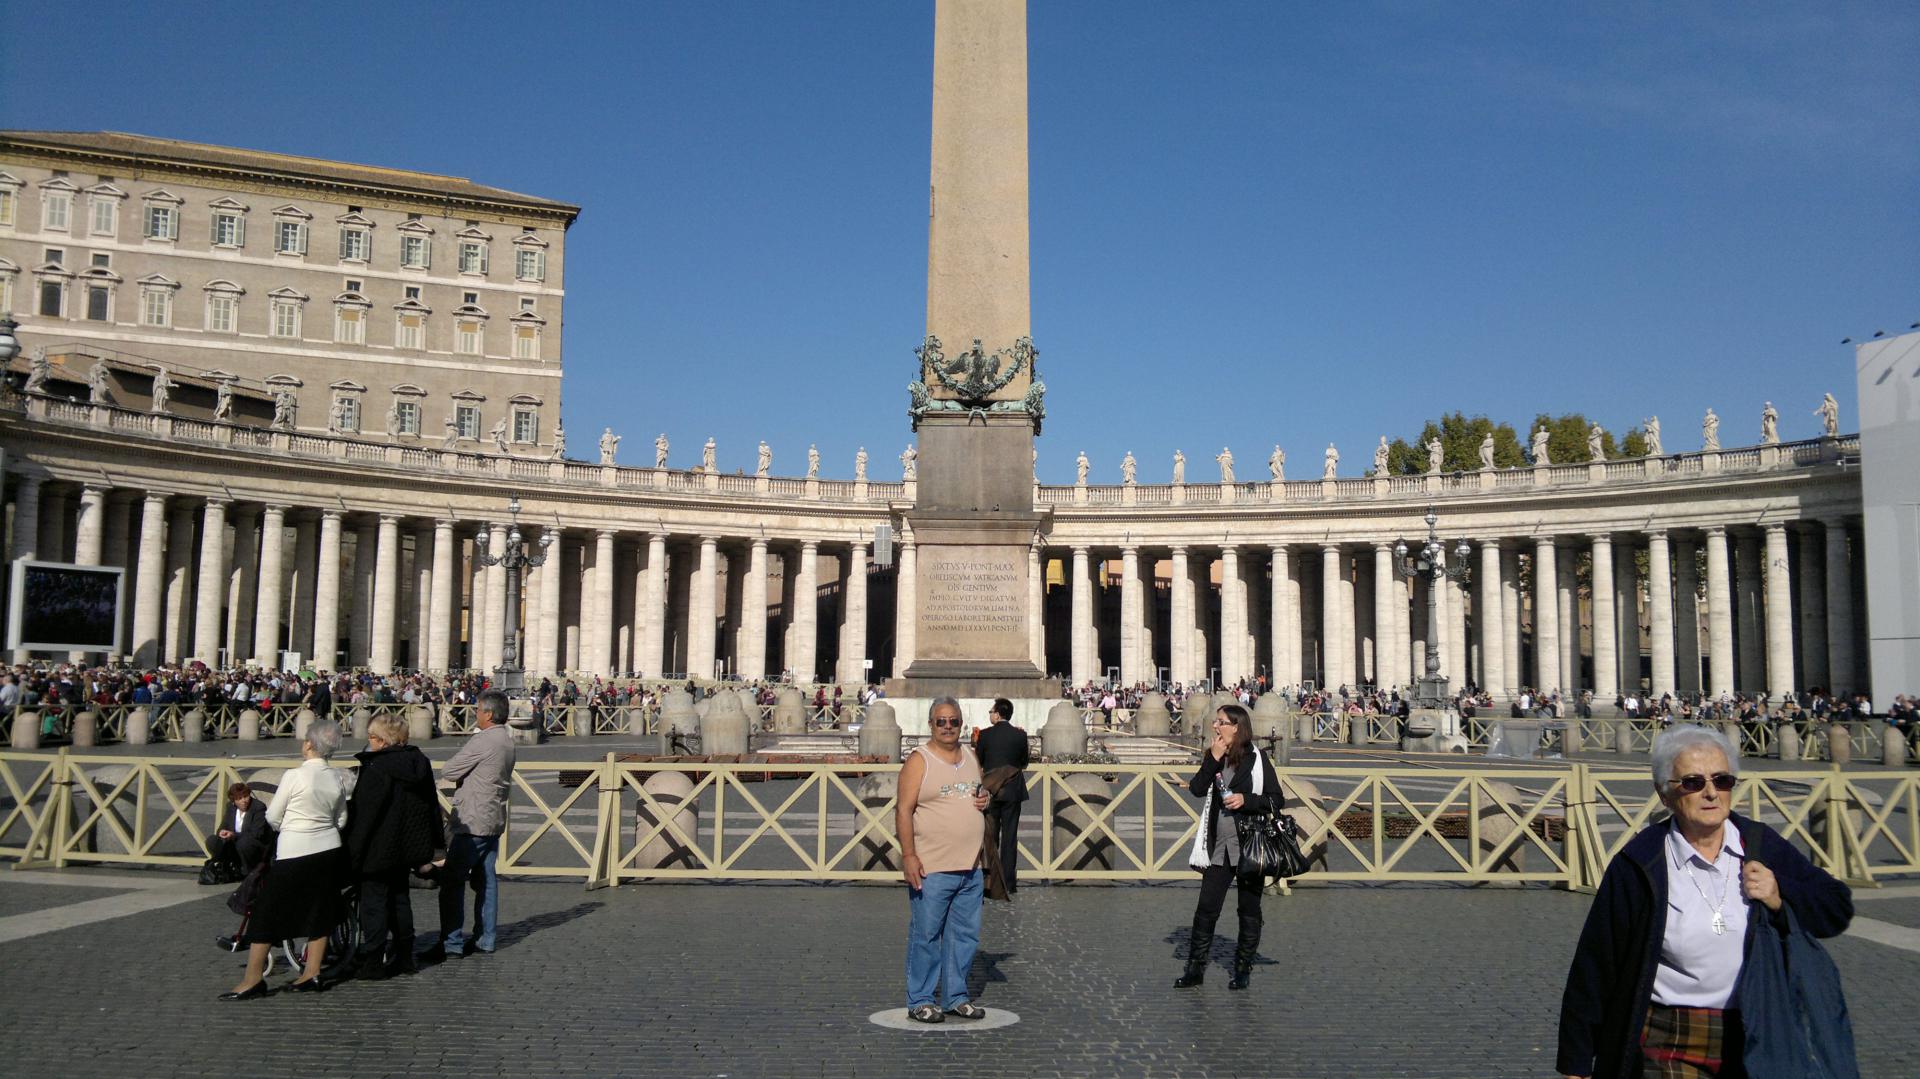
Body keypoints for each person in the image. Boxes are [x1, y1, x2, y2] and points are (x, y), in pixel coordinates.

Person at [1557, 726, 1854, 1078]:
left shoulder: (1760, 844)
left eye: (1722, 780)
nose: (1711, 792)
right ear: (1664, 794)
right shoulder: (1639, 863)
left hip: (1758, 1028)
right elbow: (1597, 962)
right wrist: (1577, 1059)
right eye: (1694, 782)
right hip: (1669, 1036)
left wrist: (1779, 894)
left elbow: (1837, 908)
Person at [224, 720, 353, 999]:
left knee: (266, 911)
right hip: (329, 849)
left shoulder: (294, 776)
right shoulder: (335, 778)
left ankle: (253, 978)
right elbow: (341, 818)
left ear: (308, 744)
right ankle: (312, 973)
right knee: (320, 909)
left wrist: (293, 826)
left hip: (295, 850)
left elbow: (272, 816)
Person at [897, 697, 992, 1024]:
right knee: (926, 935)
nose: (948, 727)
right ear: (931, 725)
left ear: (961, 724)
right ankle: (920, 998)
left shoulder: (970, 755)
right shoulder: (919, 761)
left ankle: (955, 996)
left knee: (964, 937)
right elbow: (903, 810)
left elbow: (977, 791)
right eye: (941, 721)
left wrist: (985, 797)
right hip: (932, 866)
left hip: (970, 867)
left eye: (953, 721)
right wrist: (909, 855)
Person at [1176, 703, 1280, 991]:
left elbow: (1276, 799)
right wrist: (1213, 758)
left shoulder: (1258, 759)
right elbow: (1196, 789)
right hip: (1218, 847)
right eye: (1216, 721)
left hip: (1249, 846)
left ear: (1236, 727)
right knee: (1206, 909)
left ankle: (1242, 969)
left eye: (1221, 722)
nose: (1215, 726)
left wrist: (1246, 800)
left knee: (1248, 911)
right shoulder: (1216, 757)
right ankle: (1195, 969)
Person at [343, 715, 444, 981]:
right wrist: (436, 845)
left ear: (381, 740)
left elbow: (366, 814)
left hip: (379, 845)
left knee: (374, 903)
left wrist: (353, 850)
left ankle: (374, 961)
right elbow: (432, 805)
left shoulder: (376, 766)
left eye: (372, 737)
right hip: (408, 845)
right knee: (400, 899)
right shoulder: (419, 762)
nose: (369, 742)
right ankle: (405, 956)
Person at [424, 688, 515, 961]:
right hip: (494, 819)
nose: (475, 713)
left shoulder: (483, 741)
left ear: (488, 714)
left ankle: (451, 943)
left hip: (473, 819)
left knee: (452, 881)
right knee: (486, 881)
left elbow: (449, 770)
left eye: (477, 710)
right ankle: (486, 938)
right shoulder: (508, 740)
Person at [975, 697, 1029, 895]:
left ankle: (990, 881)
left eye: (991, 711)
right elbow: (1024, 762)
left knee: (990, 836)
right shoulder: (1020, 736)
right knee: (1010, 837)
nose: (990, 714)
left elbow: (978, 759)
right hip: (1012, 790)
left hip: (990, 791)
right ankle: (1008, 883)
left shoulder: (985, 735)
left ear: (997, 714)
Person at [207, 781, 271, 879]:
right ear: (234, 801)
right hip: (234, 844)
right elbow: (222, 826)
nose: (243, 800)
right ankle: (225, 868)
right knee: (212, 841)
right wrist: (222, 832)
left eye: (245, 796)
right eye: (239, 798)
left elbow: (257, 833)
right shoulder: (231, 808)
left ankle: (248, 873)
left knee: (244, 843)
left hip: (254, 846)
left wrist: (234, 835)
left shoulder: (258, 807)